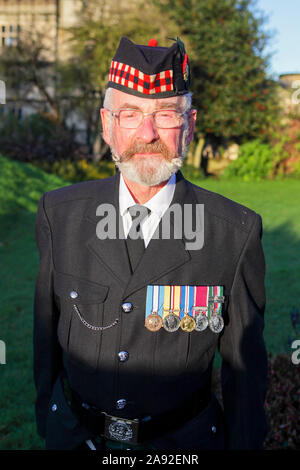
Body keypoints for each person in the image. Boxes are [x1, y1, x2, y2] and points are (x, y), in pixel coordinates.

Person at [33, 36, 268, 451]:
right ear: (107, 125)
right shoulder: (60, 215)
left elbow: (244, 371)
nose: (147, 132)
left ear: (189, 126)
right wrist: (49, 421)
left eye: (166, 115)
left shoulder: (234, 232)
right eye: (130, 113)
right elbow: (45, 338)